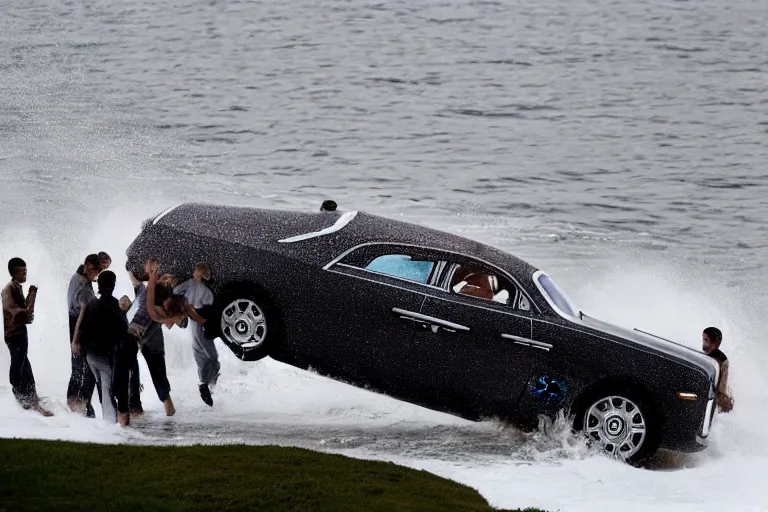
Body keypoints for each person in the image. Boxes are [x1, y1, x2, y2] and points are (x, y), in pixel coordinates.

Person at [72, 271, 127, 424]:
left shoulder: (92, 304)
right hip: (104, 355)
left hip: (90, 355)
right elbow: (122, 329)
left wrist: (77, 344)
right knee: (108, 391)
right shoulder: (114, 304)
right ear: (113, 285)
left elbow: (83, 326)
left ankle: (93, 419)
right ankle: (111, 427)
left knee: (100, 387)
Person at [2, 258, 52, 416]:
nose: (25, 274)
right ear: (14, 272)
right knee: (19, 365)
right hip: (14, 334)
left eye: (26, 271)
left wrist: (30, 297)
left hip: (18, 333)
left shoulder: (15, 287)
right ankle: (21, 397)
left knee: (24, 366)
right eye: (22, 272)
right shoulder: (8, 289)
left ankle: (31, 399)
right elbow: (21, 313)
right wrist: (32, 295)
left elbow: (26, 314)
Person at [174, 263, 219, 407]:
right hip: (200, 323)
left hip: (195, 324)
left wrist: (184, 306)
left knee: (202, 355)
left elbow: (176, 291)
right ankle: (207, 385)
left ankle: (205, 384)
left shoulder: (191, 284)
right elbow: (209, 308)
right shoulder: (206, 290)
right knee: (211, 357)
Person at [66, 254, 101, 416]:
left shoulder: (79, 275)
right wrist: (75, 341)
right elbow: (81, 315)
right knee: (83, 367)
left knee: (82, 367)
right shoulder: (82, 286)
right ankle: (76, 402)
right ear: (87, 266)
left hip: (80, 326)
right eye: (95, 270)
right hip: (79, 327)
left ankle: (80, 402)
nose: (97, 274)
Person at [702, 326, 734, 413]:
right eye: (703, 338)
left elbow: (721, 386)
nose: (703, 342)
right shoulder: (704, 356)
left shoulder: (721, 360)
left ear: (716, 343)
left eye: (706, 340)